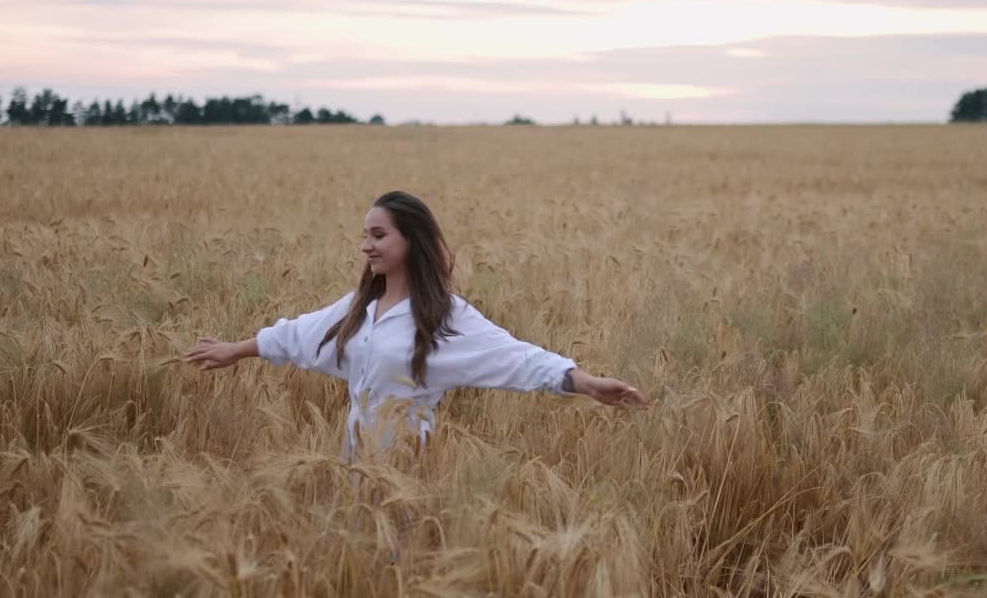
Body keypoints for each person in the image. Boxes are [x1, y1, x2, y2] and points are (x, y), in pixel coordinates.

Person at [185, 190, 646, 456]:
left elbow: (517, 358)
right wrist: (236, 349)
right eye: (365, 235)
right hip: (352, 465)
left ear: (412, 241)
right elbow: (297, 335)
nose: (366, 246)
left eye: (379, 235)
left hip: (408, 466)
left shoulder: (444, 315)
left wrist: (583, 382)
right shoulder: (359, 307)